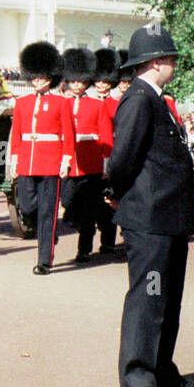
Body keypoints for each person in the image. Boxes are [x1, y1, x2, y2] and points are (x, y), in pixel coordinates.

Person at [107, 24, 194, 387]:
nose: (175, 63)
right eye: (171, 58)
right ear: (157, 61)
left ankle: (162, 370)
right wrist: (115, 193)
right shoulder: (139, 100)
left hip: (167, 217)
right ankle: (137, 375)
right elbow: (123, 158)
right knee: (148, 299)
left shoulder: (155, 98)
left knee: (168, 299)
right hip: (148, 219)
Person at [8, 41, 75, 275]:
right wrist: (14, 161)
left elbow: (68, 133)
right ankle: (49, 231)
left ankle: (44, 261)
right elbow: (16, 134)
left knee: (47, 213)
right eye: (34, 76)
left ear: (50, 76)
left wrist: (66, 160)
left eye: (42, 76)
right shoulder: (21, 103)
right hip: (27, 160)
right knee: (26, 207)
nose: (37, 80)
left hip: (50, 161)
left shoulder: (61, 102)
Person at [60, 48, 111, 264]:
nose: (78, 85)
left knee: (89, 211)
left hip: (91, 162)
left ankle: (84, 249)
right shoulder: (62, 103)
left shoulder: (97, 105)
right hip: (70, 162)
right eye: (74, 81)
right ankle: (75, 221)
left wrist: (106, 164)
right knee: (69, 202)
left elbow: (106, 136)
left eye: (82, 82)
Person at [91, 48, 122, 253]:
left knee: (109, 199)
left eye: (105, 81)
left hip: (111, 156)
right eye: (98, 81)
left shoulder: (118, 105)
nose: (101, 85)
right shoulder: (88, 104)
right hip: (91, 157)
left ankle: (108, 241)